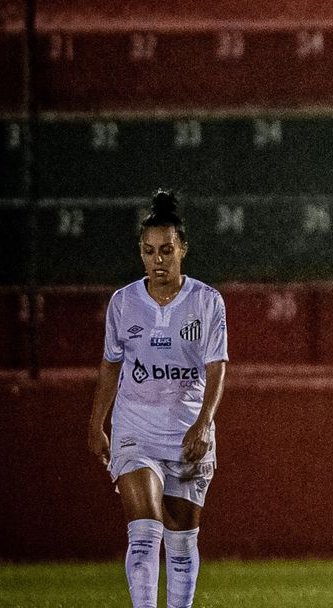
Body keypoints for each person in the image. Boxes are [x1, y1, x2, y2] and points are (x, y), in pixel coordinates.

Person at [87, 190, 228, 608]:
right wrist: (96, 423)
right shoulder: (124, 302)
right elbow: (112, 364)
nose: (158, 260)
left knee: (181, 543)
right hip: (136, 428)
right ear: (141, 254)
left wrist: (203, 423)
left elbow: (216, 367)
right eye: (149, 252)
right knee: (144, 530)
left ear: (182, 250)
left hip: (187, 431)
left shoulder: (206, 301)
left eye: (166, 250)